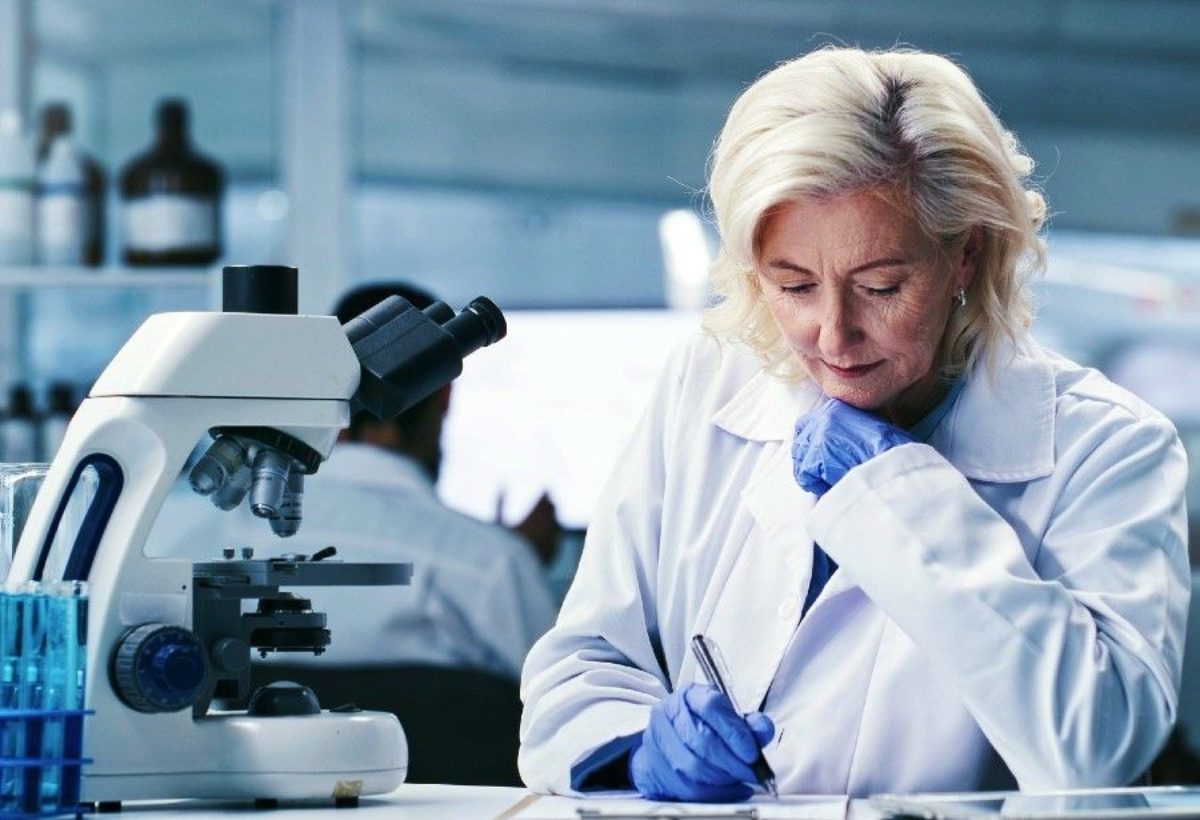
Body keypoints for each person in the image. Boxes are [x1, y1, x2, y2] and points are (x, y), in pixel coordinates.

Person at [518, 47, 1190, 800]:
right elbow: (580, 663)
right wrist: (639, 748)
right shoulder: (704, 385)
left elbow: (1094, 749)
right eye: (794, 285)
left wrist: (898, 495)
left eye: (880, 286)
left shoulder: (1108, 448)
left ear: (966, 253)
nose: (834, 337)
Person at [159, 282, 561, 681]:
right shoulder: (489, 566)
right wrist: (518, 559)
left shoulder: (194, 548)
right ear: (444, 398)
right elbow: (562, 705)